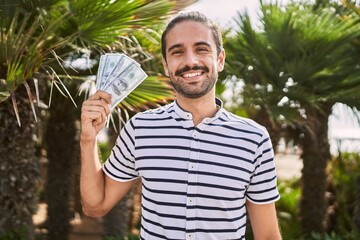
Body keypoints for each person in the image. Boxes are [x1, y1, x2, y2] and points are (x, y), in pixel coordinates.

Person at [80, 11, 282, 240]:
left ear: (220, 59)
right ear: (166, 65)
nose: (190, 61)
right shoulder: (140, 129)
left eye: (201, 49)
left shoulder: (254, 138)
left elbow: (267, 236)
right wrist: (88, 140)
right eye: (177, 52)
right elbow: (95, 207)